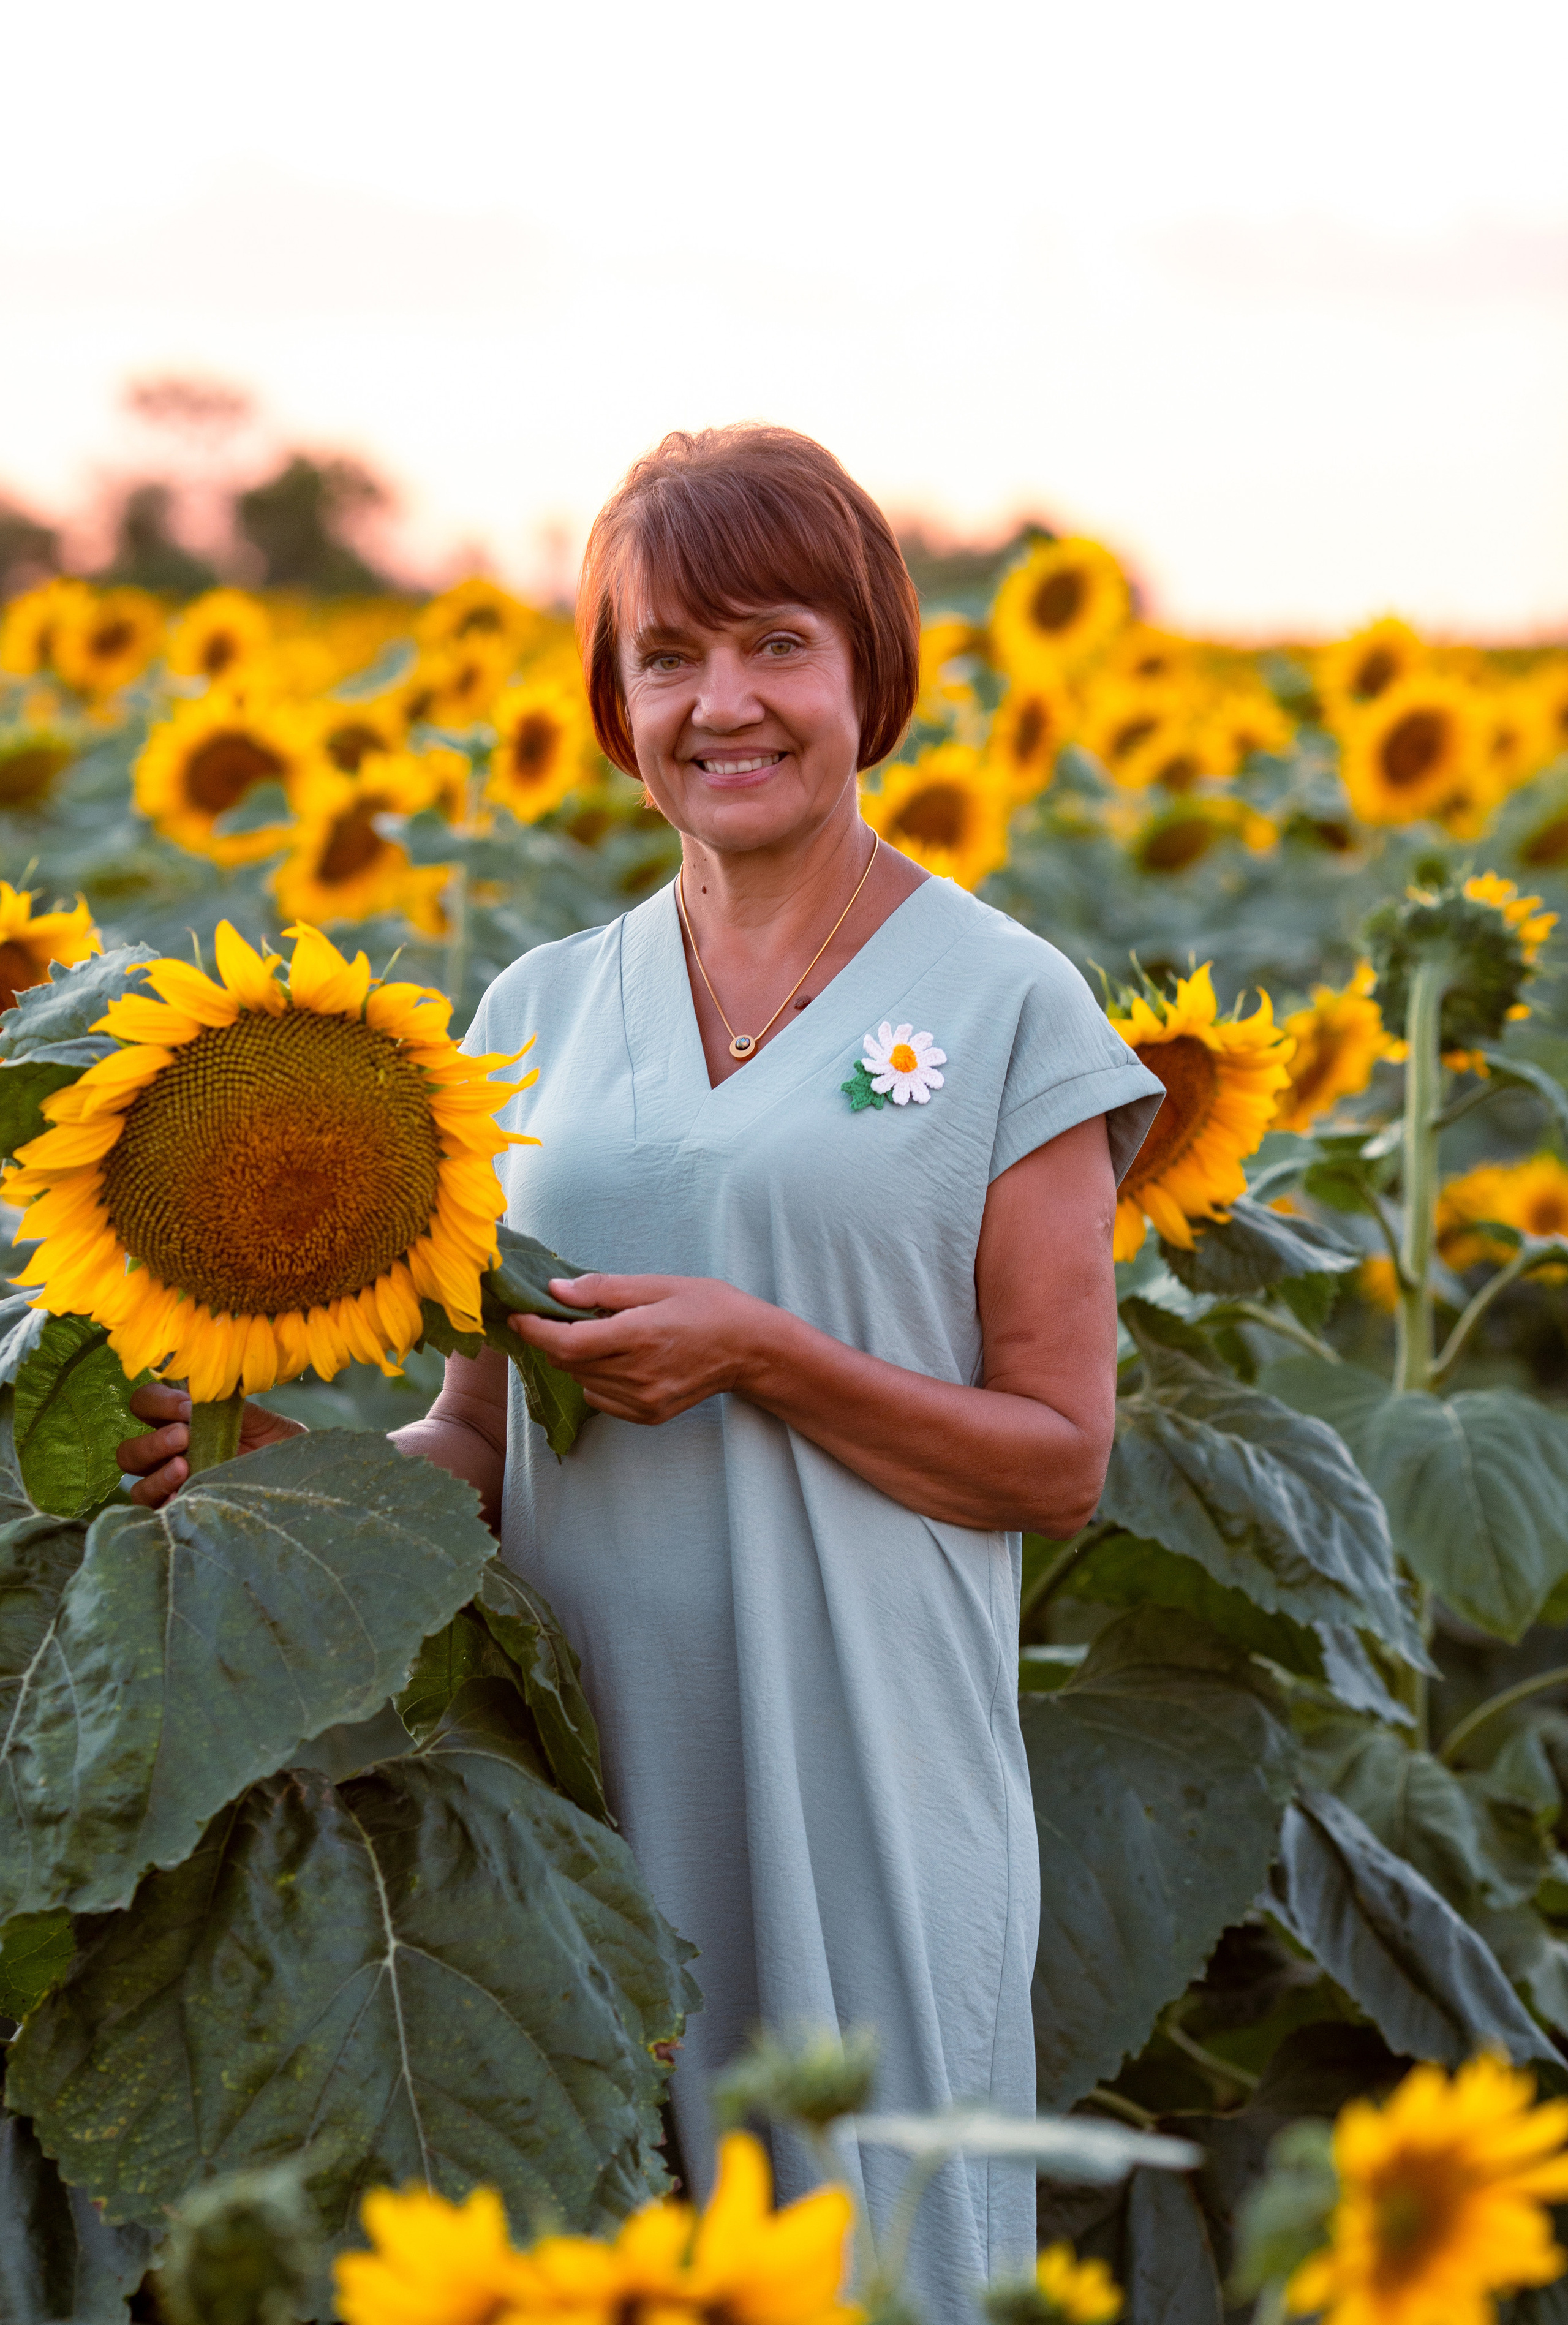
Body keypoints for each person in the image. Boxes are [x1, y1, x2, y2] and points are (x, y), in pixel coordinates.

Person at [120, 424, 1162, 2324]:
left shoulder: (1007, 1004)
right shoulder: (530, 1018)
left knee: (876, 2267)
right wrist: (266, 1468)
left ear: (868, 670)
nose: (724, 703)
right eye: (666, 657)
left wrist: (765, 1355)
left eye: (775, 644)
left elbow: (1056, 1460)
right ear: (613, 701)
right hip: (578, 1793)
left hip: (863, 1773)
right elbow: (478, 1439)